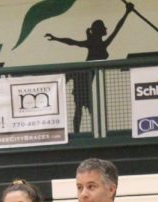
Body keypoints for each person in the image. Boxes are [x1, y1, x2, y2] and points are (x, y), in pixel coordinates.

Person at [45, 3, 133, 132]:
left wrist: (127, 13)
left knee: (84, 108)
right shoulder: (96, 43)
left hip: (85, 78)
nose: (106, 28)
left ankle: (89, 132)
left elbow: (117, 29)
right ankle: (87, 133)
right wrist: (56, 38)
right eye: (103, 27)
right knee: (83, 108)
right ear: (99, 30)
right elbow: (72, 42)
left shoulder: (99, 43)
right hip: (82, 78)